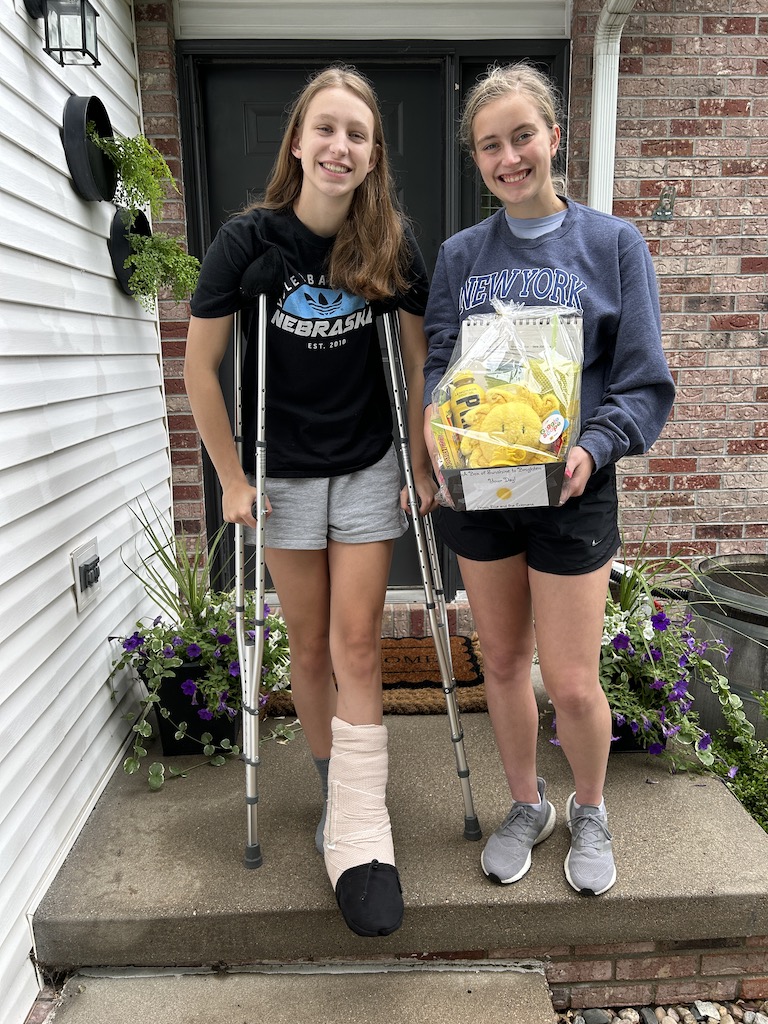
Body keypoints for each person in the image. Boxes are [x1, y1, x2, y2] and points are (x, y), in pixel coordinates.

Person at [184, 65, 436, 937]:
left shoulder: (391, 244)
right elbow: (197, 369)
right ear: (298, 141)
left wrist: (423, 463)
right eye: (325, 129)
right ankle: (339, 792)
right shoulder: (247, 241)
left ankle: (364, 829)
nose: (340, 146)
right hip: (282, 473)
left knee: (358, 639)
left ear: (372, 157)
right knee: (308, 643)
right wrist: (230, 475)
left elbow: (413, 363)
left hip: (368, 464)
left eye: (357, 135)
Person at [422, 63, 675, 896]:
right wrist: (437, 439)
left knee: (569, 678)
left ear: (554, 137)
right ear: (478, 159)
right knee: (501, 660)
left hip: (570, 490)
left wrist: (595, 448)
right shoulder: (462, 256)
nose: (509, 157)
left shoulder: (612, 245)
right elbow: (441, 365)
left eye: (522, 135)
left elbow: (642, 380)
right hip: (482, 494)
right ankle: (526, 802)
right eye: (490, 145)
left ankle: (591, 807)